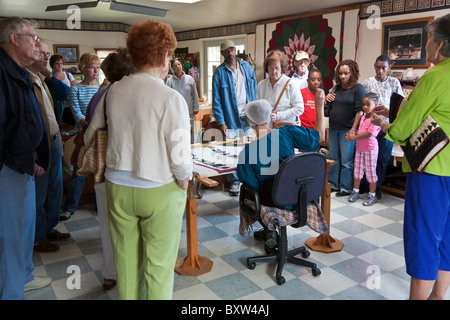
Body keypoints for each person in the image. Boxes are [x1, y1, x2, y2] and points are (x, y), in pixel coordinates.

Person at [84, 19, 192, 300]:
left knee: (126, 266)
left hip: (117, 186)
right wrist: (184, 178)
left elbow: (89, 136)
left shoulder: (113, 91)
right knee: (158, 267)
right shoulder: (170, 97)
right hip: (159, 188)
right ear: (166, 54)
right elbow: (180, 154)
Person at [371, 14, 450, 300]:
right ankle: (438, 296)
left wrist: (385, 125)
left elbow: (404, 129)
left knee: (424, 237)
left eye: (428, 39)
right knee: (447, 236)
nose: (427, 44)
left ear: (439, 44)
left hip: (432, 171)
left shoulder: (435, 76)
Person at [76, 47, 135, 291]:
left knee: (107, 223)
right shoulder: (132, 93)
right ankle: (133, 272)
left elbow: (89, 131)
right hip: (132, 167)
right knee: (132, 225)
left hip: (104, 166)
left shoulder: (100, 94)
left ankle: (111, 273)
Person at [0, 17, 51, 300]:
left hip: (23, 164)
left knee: (22, 232)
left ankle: (21, 280)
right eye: (31, 36)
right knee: (11, 237)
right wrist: (19, 159)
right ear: (14, 39)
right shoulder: (3, 72)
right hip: (10, 168)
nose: (36, 41)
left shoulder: (18, 72)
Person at [236, 99, 321, 247]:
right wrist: (319, 107)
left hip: (273, 200)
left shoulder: (248, 153)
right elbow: (318, 138)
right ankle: (269, 231)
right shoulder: (288, 132)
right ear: (270, 117)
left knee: (249, 191)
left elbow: (251, 183)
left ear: (249, 122)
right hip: (299, 196)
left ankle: (269, 229)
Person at [27, 41, 71, 253]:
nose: (46, 57)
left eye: (47, 54)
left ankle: (49, 228)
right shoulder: (25, 80)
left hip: (54, 140)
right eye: (41, 53)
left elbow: (64, 93)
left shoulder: (43, 79)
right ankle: (38, 237)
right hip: (41, 144)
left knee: (55, 189)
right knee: (40, 194)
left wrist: (49, 74)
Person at [212, 39, 257, 196]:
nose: (230, 53)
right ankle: (234, 183)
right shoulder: (219, 72)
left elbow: (254, 91)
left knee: (250, 150)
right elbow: (216, 100)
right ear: (222, 53)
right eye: (227, 50)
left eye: (232, 49)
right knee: (232, 152)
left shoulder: (246, 67)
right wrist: (221, 122)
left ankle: (250, 181)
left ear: (235, 50)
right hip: (230, 118)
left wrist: (255, 115)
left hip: (248, 117)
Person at [60, 52, 100, 221]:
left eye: (98, 68)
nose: (96, 71)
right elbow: (75, 110)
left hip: (100, 135)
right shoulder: (75, 88)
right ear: (83, 69)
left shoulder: (101, 88)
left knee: (100, 172)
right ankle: (70, 207)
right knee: (79, 172)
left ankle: (100, 204)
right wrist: (87, 122)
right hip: (83, 135)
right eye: (92, 67)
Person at [361, 54, 404, 199]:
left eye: (383, 68)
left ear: (389, 67)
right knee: (368, 156)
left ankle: (376, 187)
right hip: (370, 126)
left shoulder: (394, 83)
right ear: (374, 66)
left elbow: (400, 106)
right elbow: (362, 106)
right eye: (378, 67)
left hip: (386, 126)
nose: (380, 71)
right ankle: (365, 185)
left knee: (383, 158)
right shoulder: (367, 83)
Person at [325, 59, 365, 197]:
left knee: (347, 161)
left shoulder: (358, 89)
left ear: (352, 73)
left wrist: (353, 129)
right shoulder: (336, 88)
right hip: (334, 128)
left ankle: (346, 188)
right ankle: (334, 184)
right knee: (333, 158)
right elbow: (328, 108)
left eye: (346, 73)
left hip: (348, 129)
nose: (342, 76)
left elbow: (360, 111)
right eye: (340, 73)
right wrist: (326, 99)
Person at [346, 92, 381, 206]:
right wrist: (351, 136)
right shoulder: (363, 117)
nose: (365, 107)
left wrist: (355, 137)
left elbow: (369, 133)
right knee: (358, 170)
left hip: (370, 148)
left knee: (371, 172)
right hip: (360, 148)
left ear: (375, 104)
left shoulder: (376, 118)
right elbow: (359, 131)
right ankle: (355, 191)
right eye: (363, 105)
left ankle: (372, 195)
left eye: (368, 104)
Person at [256, 49, 304, 126]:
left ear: (282, 68)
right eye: (271, 68)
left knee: (277, 138)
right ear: (267, 68)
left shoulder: (291, 84)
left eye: (277, 68)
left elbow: (299, 108)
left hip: (284, 128)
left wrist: (278, 116)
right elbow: (258, 106)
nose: (274, 71)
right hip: (265, 127)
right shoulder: (261, 85)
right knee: (264, 138)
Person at [166, 57, 199, 143]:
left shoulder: (190, 79)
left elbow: (194, 94)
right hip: (176, 113)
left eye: (179, 64)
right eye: (175, 66)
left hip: (189, 112)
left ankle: (192, 151)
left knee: (190, 133)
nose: (177, 67)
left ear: (182, 65)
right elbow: (168, 98)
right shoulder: (170, 81)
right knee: (179, 135)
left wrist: (196, 108)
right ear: (172, 69)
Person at [47, 53, 77, 124]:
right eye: (57, 63)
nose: (60, 66)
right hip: (57, 107)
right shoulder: (49, 78)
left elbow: (75, 89)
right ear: (52, 65)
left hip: (71, 106)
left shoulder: (68, 75)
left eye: (61, 63)